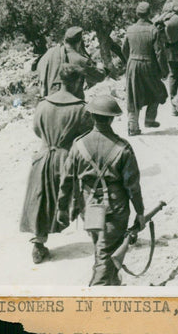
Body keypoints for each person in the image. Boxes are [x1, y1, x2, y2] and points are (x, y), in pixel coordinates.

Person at [56, 95, 145, 286]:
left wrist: (62, 208)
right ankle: (99, 290)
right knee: (105, 253)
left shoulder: (78, 145)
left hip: (88, 207)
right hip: (115, 208)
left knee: (101, 247)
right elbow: (133, 187)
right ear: (112, 118)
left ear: (91, 116)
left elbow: (66, 181)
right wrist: (140, 212)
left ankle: (110, 283)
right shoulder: (123, 148)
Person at [20, 64, 93, 264]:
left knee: (41, 200)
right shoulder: (81, 108)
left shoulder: (43, 104)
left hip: (43, 157)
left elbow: (36, 129)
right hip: (67, 159)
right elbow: (87, 137)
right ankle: (98, 235)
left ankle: (39, 244)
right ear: (77, 82)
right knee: (83, 195)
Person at [121, 2, 169, 136]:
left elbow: (124, 49)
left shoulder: (130, 29)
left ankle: (133, 126)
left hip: (133, 64)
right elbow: (159, 53)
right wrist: (164, 70)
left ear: (137, 14)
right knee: (158, 91)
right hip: (149, 65)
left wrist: (130, 61)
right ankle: (149, 118)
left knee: (133, 95)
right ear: (149, 14)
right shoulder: (153, 30)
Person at [37, 27, 106, 100]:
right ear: (79, 42)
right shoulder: (81, 60)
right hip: (72, 104)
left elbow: (38, 69)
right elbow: (100, 77)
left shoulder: (49, 53)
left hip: (49, 102)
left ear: (65, 40)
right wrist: (100, 66)